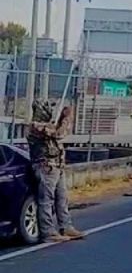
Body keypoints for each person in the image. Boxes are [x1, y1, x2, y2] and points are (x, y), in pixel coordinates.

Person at [27, 101, 84, 243]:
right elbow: (58, 133)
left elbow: (57, 130)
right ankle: (48, 232)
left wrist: (62, 118)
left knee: (62, 198)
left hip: (57, 166)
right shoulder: (35, 126)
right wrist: (65, 118)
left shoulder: (47, 125)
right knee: (46, 200)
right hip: (46, 167)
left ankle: (65, 226)